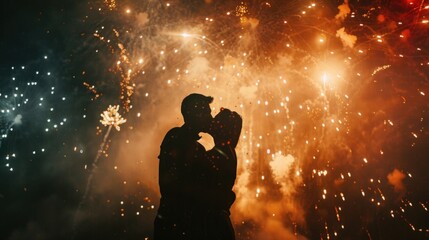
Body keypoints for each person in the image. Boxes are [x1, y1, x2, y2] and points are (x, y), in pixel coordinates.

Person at [154, 93, 214, 240]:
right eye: (206, 113)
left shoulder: (195, 147)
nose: (210, 118)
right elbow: (169, 185)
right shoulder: (176, 137)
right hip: (177, 224)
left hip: (179, 223)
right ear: (194, 114)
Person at [196, 108, 242, 240]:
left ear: (223, 128)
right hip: (218, 223)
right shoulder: (227, 151)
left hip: (213, 225)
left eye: (216, 121)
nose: (212, 121)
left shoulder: (218, 153)